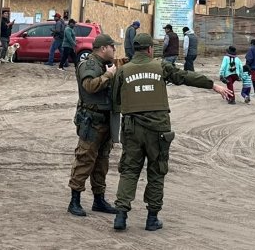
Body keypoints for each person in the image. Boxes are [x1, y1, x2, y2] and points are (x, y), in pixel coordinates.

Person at [111, 32, 233, 231]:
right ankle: (151, 219)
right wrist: (213, 85)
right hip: (158, 129)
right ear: (150, 49)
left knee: (129, 171)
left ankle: (121, 216)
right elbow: (185, 76)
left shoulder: (122, 71)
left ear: (134, 50)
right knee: (157, 172)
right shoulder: (161, 67)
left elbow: (115, 99)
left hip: (132, 129)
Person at [67, 34, 119, 217]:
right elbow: (89, 85)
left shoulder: (104, 65)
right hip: (91, 120)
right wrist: (108, 76)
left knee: (102, 162)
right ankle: (75, 200)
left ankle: (99, 199)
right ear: (104, 48)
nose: (115, 50)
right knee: (85, 159)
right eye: (113, 47)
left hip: (105, 120)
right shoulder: (89, 65)